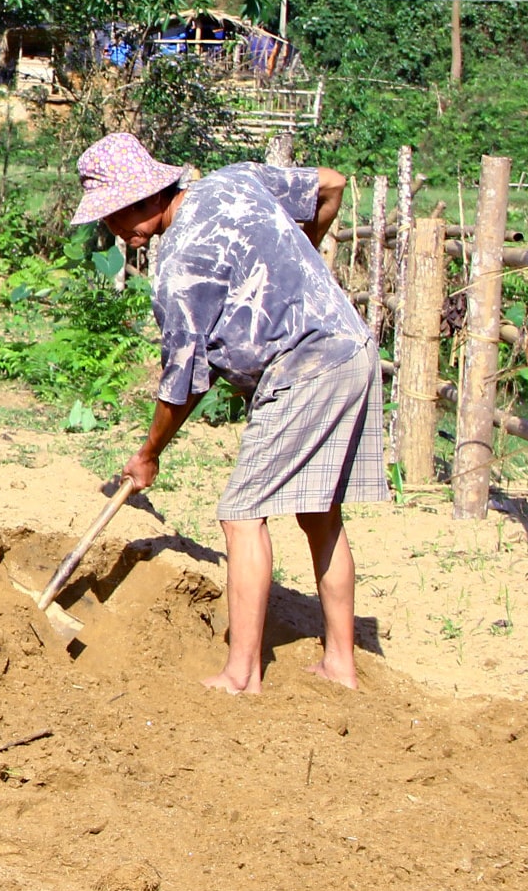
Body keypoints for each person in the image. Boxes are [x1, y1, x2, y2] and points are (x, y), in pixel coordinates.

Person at [69, 132, 381, 694]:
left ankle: (241, 675)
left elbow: (181, 383)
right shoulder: (233, 181)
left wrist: (148, 456)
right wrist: (306, 256)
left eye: (116, 216)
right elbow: (331, 183)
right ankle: (340, 663)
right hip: (351, 348)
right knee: (319, 512)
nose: (115, 230)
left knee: (241, 514)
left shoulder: (181, 267)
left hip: (304, 366)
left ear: (149, 197)